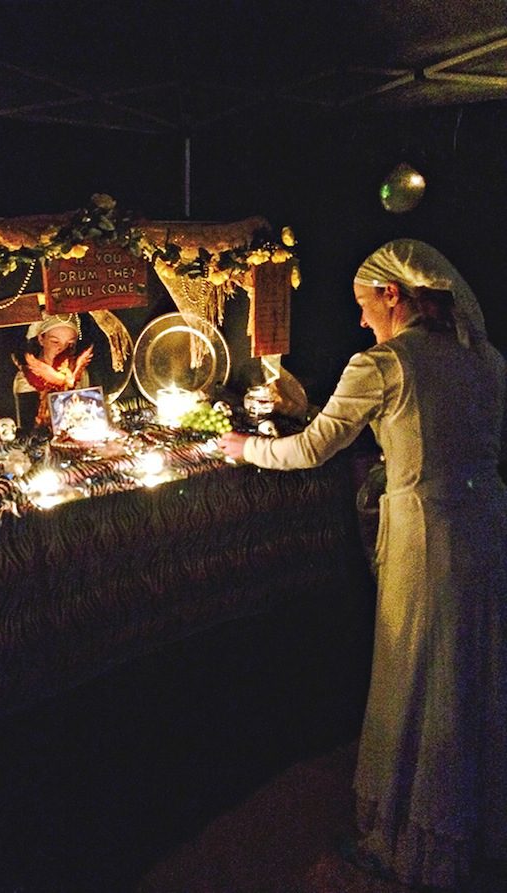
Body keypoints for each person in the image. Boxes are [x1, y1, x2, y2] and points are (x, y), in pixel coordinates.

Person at [218, 239, 507, 889]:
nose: (360, 319)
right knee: (473, 674)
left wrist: (242, 445)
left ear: (394, 296)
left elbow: (315, 448)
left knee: (420, 672)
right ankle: (474, 825)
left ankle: (416, 840)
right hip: (490, 528)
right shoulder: (486, 358)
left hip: (429, 536)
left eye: (364, 303)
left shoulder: (384, 362)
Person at [12, 313, 93, 429]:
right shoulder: (26, 377)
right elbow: (27, 424)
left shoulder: (80, 373)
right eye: (55, 342)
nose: (62, 349)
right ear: (41, 339)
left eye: (70, 344)